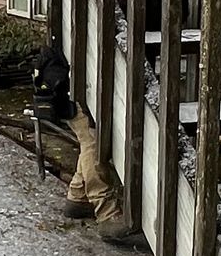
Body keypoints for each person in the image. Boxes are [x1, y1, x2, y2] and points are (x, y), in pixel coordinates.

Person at [30, 40, 140, 245]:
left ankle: (78, 197)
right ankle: (107, 213)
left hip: (73, 89)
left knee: (87, 141)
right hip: (75, 95)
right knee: (93, 144)